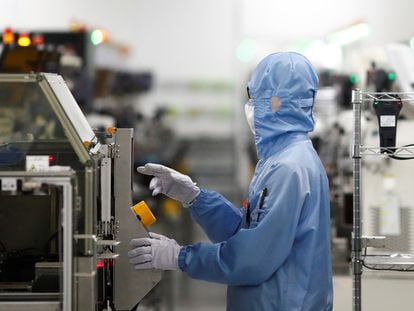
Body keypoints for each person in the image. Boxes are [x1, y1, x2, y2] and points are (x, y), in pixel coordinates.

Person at [128, 52, 333, 311]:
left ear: (276, 103)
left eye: (255, 99)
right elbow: (249, 233)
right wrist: (196, 198)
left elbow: (253, 259)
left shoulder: (289, 168)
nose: (250, 108)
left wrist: (180, 256)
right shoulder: (280, 158)